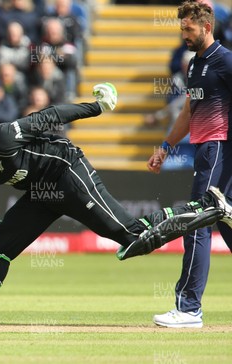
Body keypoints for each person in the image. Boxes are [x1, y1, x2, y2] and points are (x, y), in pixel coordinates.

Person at [0, 83, 232, 334]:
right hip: (42, 192)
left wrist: (96, 107)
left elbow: (49, 116)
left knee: (132, 238)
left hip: (68, 172)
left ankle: (209, 206)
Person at [147, 0, 232, 328]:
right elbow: (187, 112)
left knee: (197, 223)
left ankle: (188, 309)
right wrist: (166, 147)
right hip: (205, 149)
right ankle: (189, 307)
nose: (183, 33)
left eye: (189, 28)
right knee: (223, 222)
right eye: (181, 28)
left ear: (206, 27)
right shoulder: (194, 65)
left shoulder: (225, 61)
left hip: (218, 149)